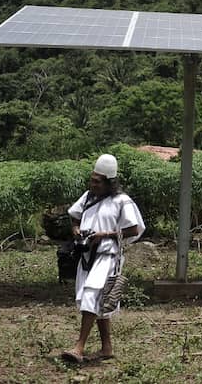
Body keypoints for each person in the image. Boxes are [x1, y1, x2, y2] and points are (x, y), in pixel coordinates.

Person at [60, 154, 145, 363]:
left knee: (92, 295)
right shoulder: (88, 197)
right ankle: (107, 348)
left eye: (97, 181)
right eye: (92, 179)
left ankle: (79, 347)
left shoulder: (122, 201)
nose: (93, 184)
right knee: (97, 300)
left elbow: (134, 228)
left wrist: (104, 235)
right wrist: (76, 229)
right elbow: (74, 214)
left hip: (108, 256)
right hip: (87, 255)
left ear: (109, 182)